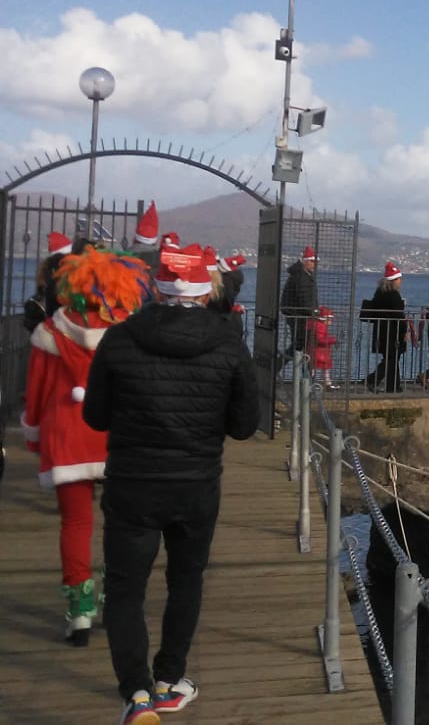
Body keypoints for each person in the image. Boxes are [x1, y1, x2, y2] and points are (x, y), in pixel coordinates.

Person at [83, 250, 257, 724]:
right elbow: (245, 426)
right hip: (195, 484)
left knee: (124, 590)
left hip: (132, 484)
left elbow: (95, 415)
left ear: (156, 289)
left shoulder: (119, 340)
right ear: (206, 292)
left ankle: (136, 696)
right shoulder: (227, 345)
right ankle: (168, 680)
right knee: (185, 581)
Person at [24, 244, 151, 648]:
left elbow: (36, 392)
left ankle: (79, 612)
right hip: (116, 433)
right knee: (121, 522)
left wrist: (32, 434)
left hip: (66, 431)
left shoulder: (50, 331)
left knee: (76, 524)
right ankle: (115, 601)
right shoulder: (129, 330)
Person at [362, 262, 408, 393]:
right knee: (392, 359)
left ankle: (392, 385)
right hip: (393, 331)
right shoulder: (394, 295)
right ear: (394, 280)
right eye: (399, 279)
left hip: (381, 330)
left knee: (390, 358)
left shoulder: (379, 293)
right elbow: (399, 315)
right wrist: (404, 331)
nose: (401, 281)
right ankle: (376, 380)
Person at [23, 231, 73, 333]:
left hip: (47, 323)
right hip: (67, 320)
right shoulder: (72, 267)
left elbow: (42, 289)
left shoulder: (46, 268)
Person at [280, 245, 317, 365]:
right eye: (312, 261)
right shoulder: (301, 277)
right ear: (305, 261)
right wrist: (314, 312)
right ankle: (302, 376)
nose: (314, 264)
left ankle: (303, 375)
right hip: (299, 316)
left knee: (298, 346)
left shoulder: (301, 275)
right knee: (298, 346)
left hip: (297, 315)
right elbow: (304, 298)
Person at [309, 306, 337, 390]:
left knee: (313, 368)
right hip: (319, 351)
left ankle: (312, 383)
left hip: (316, 351)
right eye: (330, 319)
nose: (331, 321)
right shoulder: (320, 327)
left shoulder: (314, 324)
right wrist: (333, 340)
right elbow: (320, 340)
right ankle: (325, 384)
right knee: (323, 368)